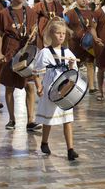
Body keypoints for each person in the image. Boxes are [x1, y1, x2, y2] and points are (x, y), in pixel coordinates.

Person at [31, 19, 79, 160]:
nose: (61, 36)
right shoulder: (45, 52)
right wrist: (39, 87)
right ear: (51, 34)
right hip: (50, 88)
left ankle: (70, 149)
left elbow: (73, 73)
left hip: (64, 90)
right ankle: (44, 142)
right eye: (58, 33)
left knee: (67, 119)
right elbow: (36, 72)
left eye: (63, 33)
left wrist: (71, 66)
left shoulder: (68, 51)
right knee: (49, 118)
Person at [0, 0, 39, 130]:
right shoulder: (4, 13)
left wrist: (33, 37)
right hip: (10, 51)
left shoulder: (30, 12)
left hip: (26, 53)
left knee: (29, 86)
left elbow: (34, 29)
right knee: (9, 87)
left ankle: (30, 120)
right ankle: (11, 119)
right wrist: (0, 52)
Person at [64, 0, 96, 101]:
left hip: (88, 43)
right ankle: (73, 84)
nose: (83, 0)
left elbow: (93, 26)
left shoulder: (91, 13)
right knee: (75, 64)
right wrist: (70, 31)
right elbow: (64, 23)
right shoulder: (71, 12)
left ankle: (91, 86)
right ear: (77, 0)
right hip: (75, 43)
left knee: (90, 63)